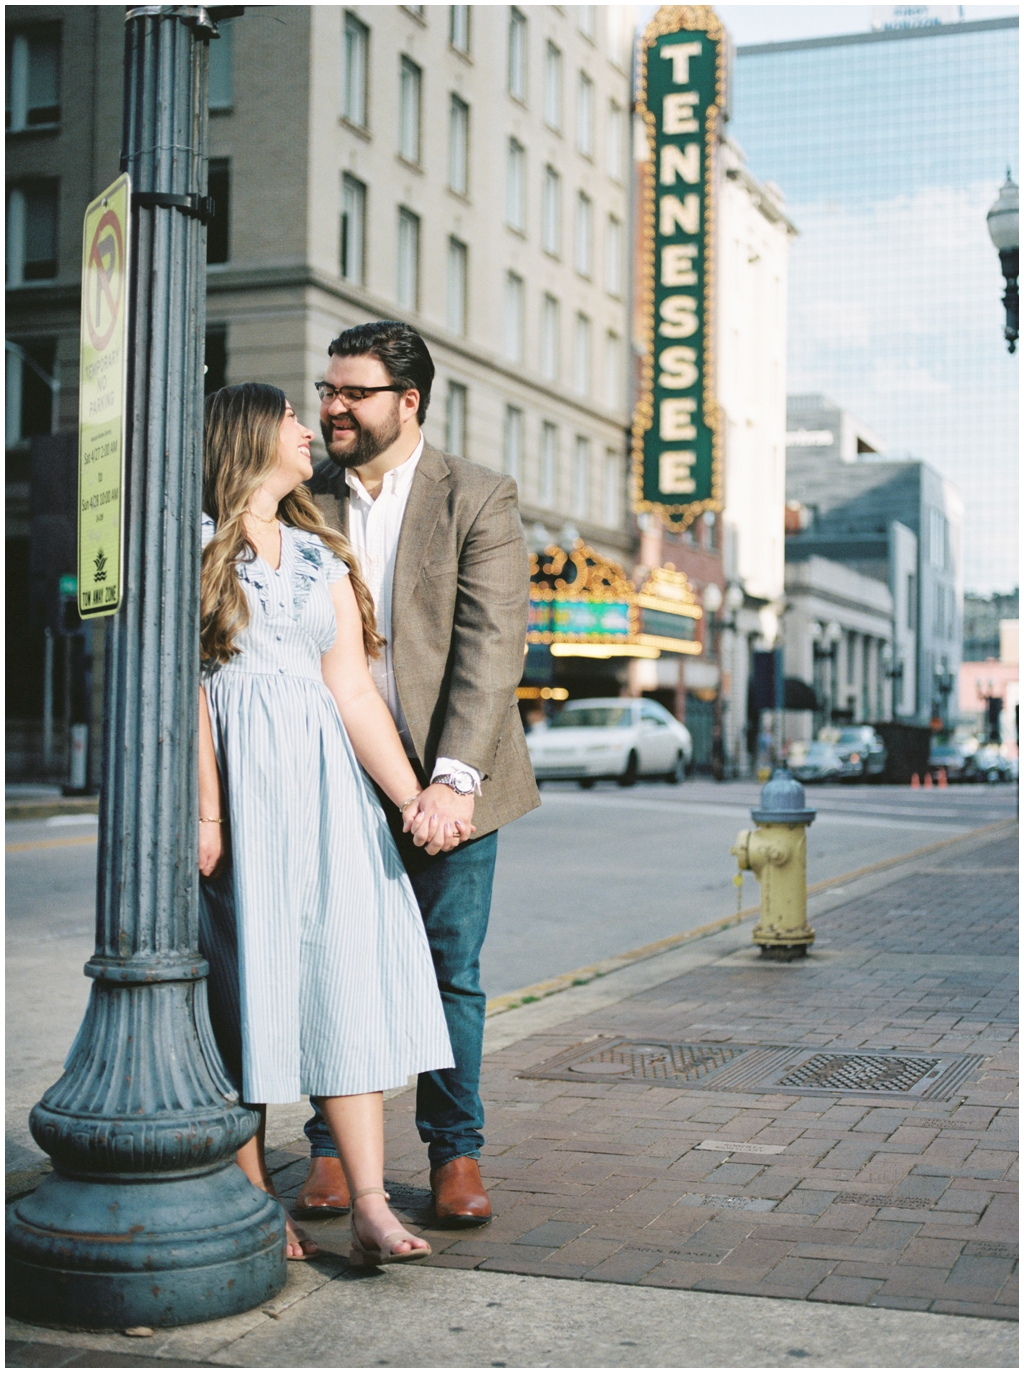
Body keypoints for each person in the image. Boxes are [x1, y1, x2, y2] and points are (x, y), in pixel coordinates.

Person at [198, 381, 460, 1265]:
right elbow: (187, 688)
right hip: (240, 795)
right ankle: (254, 1206)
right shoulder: (191, 548)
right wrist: (206, 807)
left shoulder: (321, 555)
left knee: (343, 983)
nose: (311, 432)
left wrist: (410, 796)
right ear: (249, 437)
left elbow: (351, 691)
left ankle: (371, 1204)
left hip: (326, 796)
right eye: (292, 419)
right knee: (246, 999)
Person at [297, 321, 540, 1227]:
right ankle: (330, 1149)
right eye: (327, 391)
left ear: (409, 401)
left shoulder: (476, 495)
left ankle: (455, 1153)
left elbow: (491, 644)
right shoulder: (303, 495)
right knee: (331, 957)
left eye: (353, 392)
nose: (333, 408)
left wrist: (451, 779)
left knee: (449, 970)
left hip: (455, 774)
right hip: (340, 771)